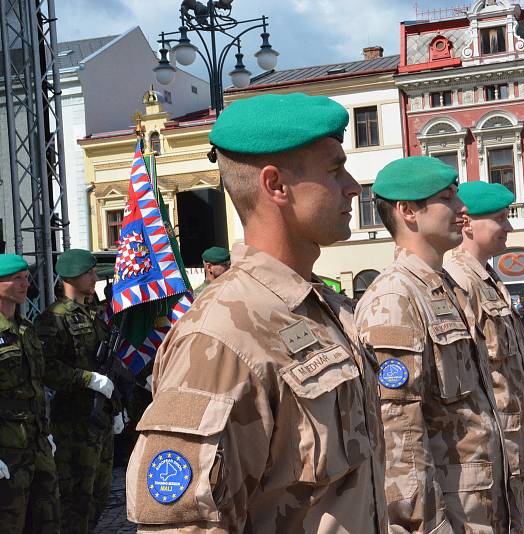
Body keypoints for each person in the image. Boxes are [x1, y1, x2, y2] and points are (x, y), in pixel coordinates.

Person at [125, 93, 387, 532]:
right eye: (334, 169)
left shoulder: (323, 307)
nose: (353, 187)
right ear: (276, 185)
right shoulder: (221, 335)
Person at [355, 156, 510, 533]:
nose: (462, 209)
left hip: (479, 506)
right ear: (408, 211)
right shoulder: (394, 298)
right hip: (449, 517)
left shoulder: (445, 288)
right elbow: (398, 441)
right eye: (447, 198)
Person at [444, 180, 524, 532]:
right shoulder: (457, 280)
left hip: (508, 453)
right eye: (501, 219)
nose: (510, 227)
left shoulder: (484, 276)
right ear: (467, 222)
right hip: (484, 457)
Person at [0, 254, 113, 533]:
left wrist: (45, 433)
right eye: (16, 279)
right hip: (8, 446)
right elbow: (52, 371)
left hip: (37, 443)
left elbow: (36, 384)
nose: (25, 284)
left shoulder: (25, 330)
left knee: (49, 521)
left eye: (26, 278)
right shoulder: (51, 319)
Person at [36, 249, 124, 534]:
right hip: (73, 424)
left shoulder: (94, 313)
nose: (95, 278)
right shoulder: (54, 319)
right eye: (89, 273)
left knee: (99, 496)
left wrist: (117, 407)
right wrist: (87, 379)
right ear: (73, 276)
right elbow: (47, 369)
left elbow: (109, 365)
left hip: (100, 421)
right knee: (75, 500)